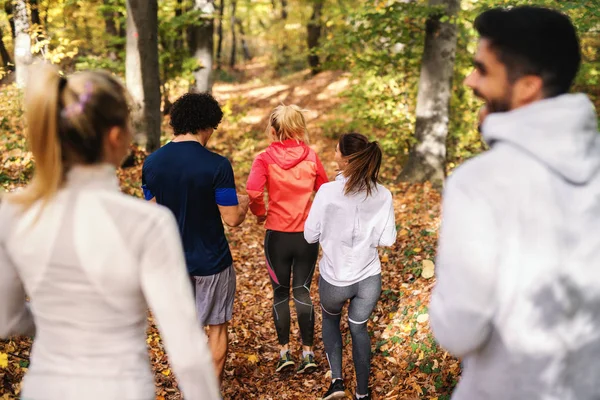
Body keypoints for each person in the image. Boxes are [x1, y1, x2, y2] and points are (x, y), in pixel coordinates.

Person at [0, 64, 220, 399]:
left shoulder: (15, 213)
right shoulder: (146, 223)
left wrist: (56, 319)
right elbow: (187, 352)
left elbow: (6, 320)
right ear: (116, 137)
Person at [429, 6, 600, 400]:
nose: (470, 79)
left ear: (527, 87)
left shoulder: (481, 182)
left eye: (482, 69)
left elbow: (458, 330)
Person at [142, 92, 248, 383]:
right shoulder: (217, 165)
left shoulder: (151, 164)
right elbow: (232, 219)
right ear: (206, 125)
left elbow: (154, 217)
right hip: (212, 261)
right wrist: (245, 204)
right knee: (217, 328)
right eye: (213, 126)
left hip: (172, 262)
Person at [304, 133, 397, 400]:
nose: (333, 155)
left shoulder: (328, 192)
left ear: (345, 160)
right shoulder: (383, 193)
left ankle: (337, 383)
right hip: (368, 278)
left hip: (335, 278)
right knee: (359, 328)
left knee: (331, 320)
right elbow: (388, 239)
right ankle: (363, 394)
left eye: (335, 151)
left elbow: (310, 235)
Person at [245, 104, 329, 373]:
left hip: (277, 238)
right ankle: (308, 354)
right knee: (302, 291)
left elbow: (254, 192)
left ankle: (284, 354)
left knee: (280, 293)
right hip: (306, 237)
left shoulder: (263, 158)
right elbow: (325, 192)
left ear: (273, 130)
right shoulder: (312, 157)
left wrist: (260, 214)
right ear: (300, 128)